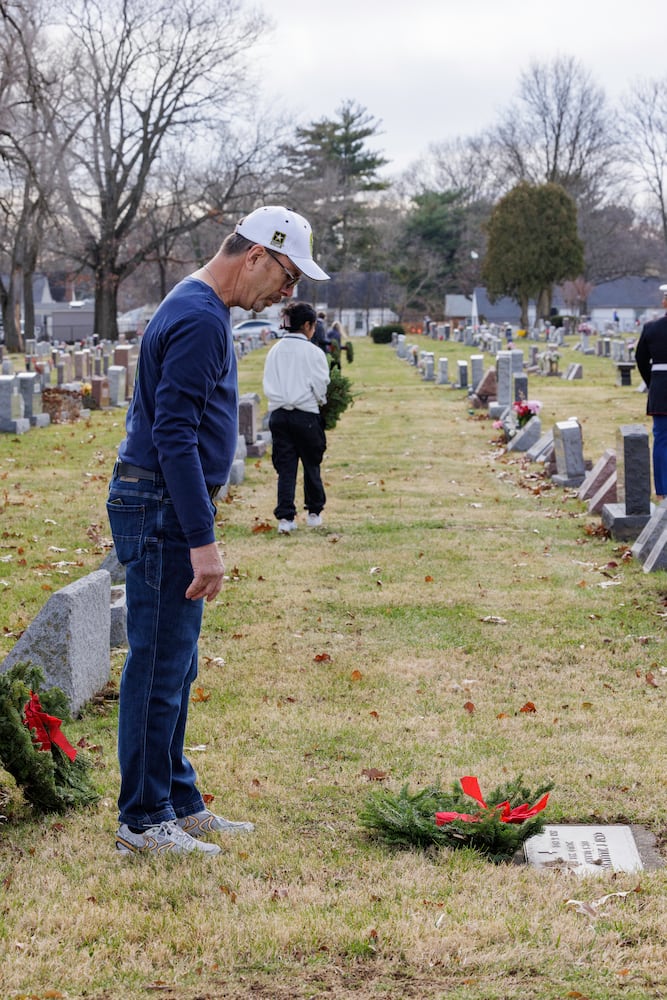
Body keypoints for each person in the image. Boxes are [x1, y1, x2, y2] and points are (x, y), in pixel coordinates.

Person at [108, 206, 329, 855]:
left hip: (162, 498)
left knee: (177, 661)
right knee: (157, 662)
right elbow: (173, 434)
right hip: (163, 505)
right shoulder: (203, 317)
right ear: (257, 254)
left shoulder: (196, 306)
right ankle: (143, 820)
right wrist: (203, 544)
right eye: (287, 276)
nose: (287, 295)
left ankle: (176, 798)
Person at [263, 300, 330, 534]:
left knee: (286, 467)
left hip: (279, 414)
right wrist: (322, 403)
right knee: (312, 463)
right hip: (306, 413)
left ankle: (285, 518)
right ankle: (314, 511)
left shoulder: (274, 351)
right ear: (308, 325)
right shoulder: (313, 352)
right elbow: (321, 384)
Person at [635, 283, 667, 501]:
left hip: (661, 390)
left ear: (665, 302)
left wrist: (652, 382)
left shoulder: (651, 328)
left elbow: (640, 359)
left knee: (662, 440)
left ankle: (664, 491)